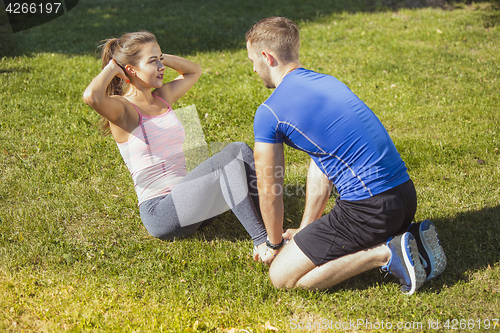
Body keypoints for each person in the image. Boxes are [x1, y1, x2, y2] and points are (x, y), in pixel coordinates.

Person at [246, 17, 446, 295]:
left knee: (284, 277)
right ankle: (409, 238)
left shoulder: (269, 112)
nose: (254, 69)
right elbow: (322, 162)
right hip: (403, 197)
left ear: (267, 57)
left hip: (369, 210)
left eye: (253, 61)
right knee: (306, 256)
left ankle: (387, 253)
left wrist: (274, 243)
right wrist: (305, 232)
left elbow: (270, 188)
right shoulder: (327, 83)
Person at [83, 31, 267, 252]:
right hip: (162, 212)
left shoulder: (162, 97)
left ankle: (270, 224)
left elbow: (193, 71)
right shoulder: (123, 110)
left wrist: (160, 57)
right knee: (225, 161)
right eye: (152, 62)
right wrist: (114, 67)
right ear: (130, 70)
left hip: (191, 203)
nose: (161, 66)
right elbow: (91, 97)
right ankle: (262, 241)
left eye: (160, 59)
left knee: (238, 149)